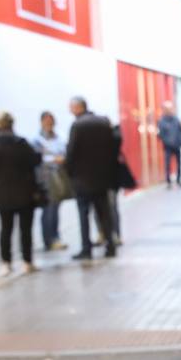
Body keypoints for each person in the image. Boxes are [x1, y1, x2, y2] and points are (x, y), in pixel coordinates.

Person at [0, 111, 41, 276]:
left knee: (5, 228)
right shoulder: (21, 143)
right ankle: (27, 261)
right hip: (24, 191)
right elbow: (34, 161)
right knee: (25, 229)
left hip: (1, 193)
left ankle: (6, 262)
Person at [65, 96, 117, 260]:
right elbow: (113, 147)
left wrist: (69, 172)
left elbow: (71, 153)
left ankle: (86, 248)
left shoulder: (77, 125)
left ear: (77, 107)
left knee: (84, 215)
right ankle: (110, 245)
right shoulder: (102, 122)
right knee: (104, 213)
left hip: (83, 179)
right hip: (102, 177)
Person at [32, 111, 68, 251]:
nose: (49, 124)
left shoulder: (59, 137)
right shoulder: (36, 140)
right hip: (45, 178)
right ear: (41, 122)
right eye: (46, 121)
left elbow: (63, 153)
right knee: (48, 209)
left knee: (56, 208)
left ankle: (55, 237)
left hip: (58, 177)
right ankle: (49, 239)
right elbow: (39, 159)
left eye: (51, 121)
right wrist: (54, 159)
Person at [158, 100, 181, 187]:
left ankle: (178, 180)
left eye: (171, 108)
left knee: (179, 163)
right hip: (168, 146)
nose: (170, 110)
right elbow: (161, 134)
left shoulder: (176, 119)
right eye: (167, 108)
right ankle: (168, 181)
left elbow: (180, 130)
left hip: (177, 145)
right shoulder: (162, 121)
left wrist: (180, 141)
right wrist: (167, 141)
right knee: (167, 163)